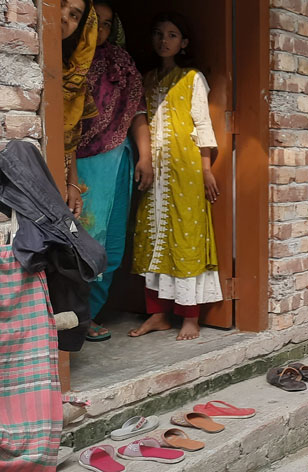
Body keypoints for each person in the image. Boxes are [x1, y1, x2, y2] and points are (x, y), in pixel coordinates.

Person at [129, 12, 221, 341]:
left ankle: (190, 318)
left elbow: (202, 124)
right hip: (153, 170)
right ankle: (158, 315)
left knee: (186, 237)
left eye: (171, 35)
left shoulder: (191, 77)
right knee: (153, 237)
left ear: (183, 43)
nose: (163, 40)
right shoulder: (145, 79)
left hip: (186, 170)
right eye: (158, 34)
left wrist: (206, 168)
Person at [76, 0, 154, 342]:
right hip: (79, 162)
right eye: (96, 22)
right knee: (82, 238)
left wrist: (145, 156)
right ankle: (72, 318)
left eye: (108, 24)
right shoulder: (71, 58)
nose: (101, 30)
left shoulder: (120, 63)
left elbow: (137, 111)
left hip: (117, 158)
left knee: (112, 242)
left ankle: (89, 314)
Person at [62, 0, 98, 219]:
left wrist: (73, 184)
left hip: (57, 173)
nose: (64, 17)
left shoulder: (75, 79)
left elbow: (70, 138)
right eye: (60, 4)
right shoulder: (26, 59)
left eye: (75, 15)